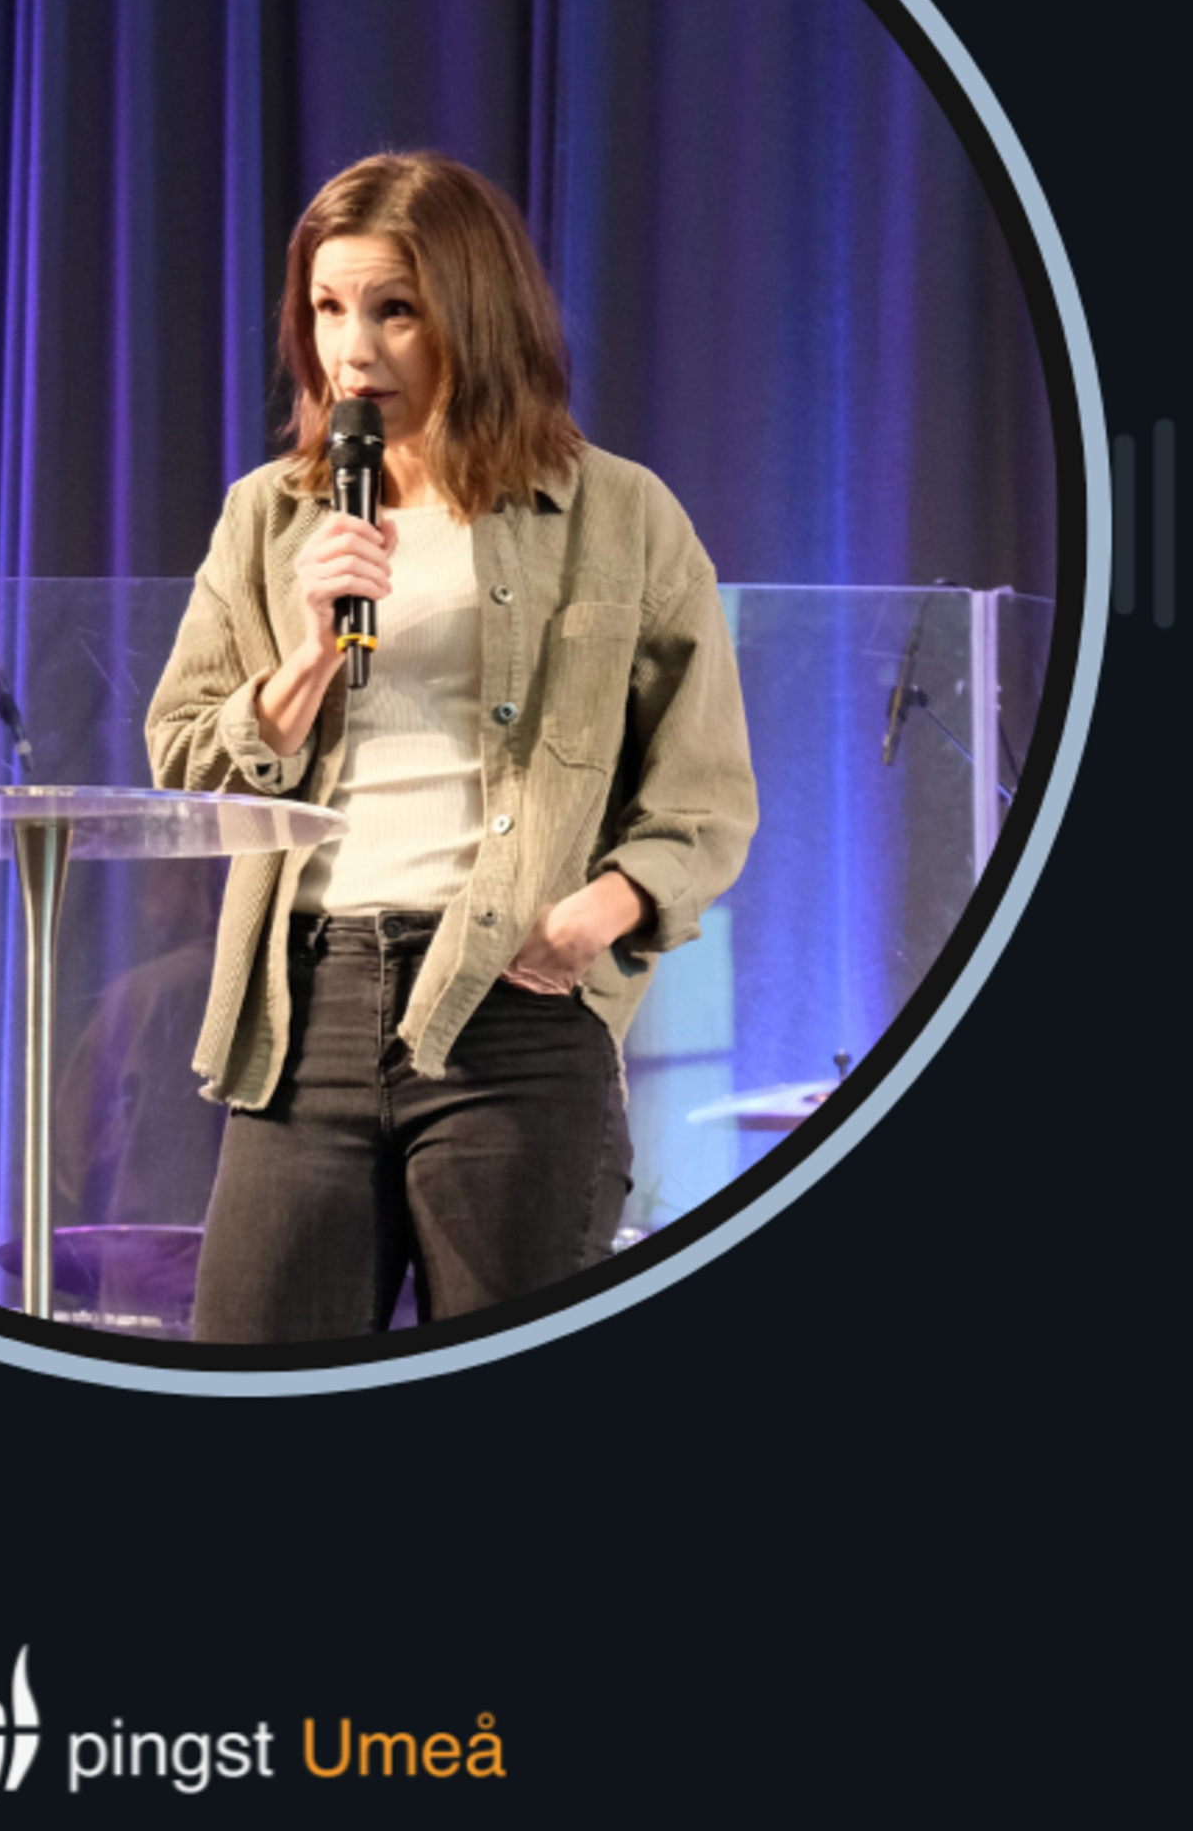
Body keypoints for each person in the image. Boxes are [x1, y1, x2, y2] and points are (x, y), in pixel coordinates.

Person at [146, 151, 758, 1342]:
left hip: (513, 1010)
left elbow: (704, 796)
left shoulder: (618, 511)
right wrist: (307, 657)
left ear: (475, 313)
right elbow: (183, 758)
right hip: (303, 1007)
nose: (352, 351)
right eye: (327, 308)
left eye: (394, 310)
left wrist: (594, 918)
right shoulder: (270, 514)